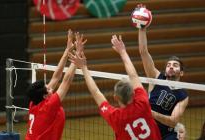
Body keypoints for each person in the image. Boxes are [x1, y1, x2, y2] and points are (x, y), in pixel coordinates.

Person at [69, 35, 161, 140]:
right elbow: (134, 76)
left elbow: (96, 92)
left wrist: (84, 67)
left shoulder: (115, 117)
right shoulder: (142, 102)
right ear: (133, 93)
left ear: (116, 97)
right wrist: (123, 52)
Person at [137, 4, 189, 140]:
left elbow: (173, 121)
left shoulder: (183, 95)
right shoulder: (156, 77)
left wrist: (149, 112)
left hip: (166, 135)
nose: (171, 67)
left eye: (175, 65)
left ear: (181, 73)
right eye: (169, 65)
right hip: (147, 130)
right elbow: (143, 52)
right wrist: (142, 27)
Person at [25, 30, 86, 140]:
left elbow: (56, 77)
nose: (49, 86)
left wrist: (67, 50)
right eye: (47, 88)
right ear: (44, 96)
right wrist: (77, 54)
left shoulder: (34, 102)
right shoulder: (49, 106)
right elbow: (66, 81)